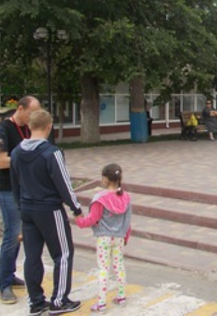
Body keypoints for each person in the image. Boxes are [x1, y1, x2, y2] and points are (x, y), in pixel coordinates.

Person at [10, 109, 83, 316]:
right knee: (63, 253)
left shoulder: (16, 153)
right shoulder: (52, 153)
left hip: (27, 209)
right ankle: (59, 301)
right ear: (49, 126)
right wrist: (75, 208)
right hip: (50, 210)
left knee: (32, 256)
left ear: (29, 127)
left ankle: (36, 303)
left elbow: (15, 184)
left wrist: (20, 207)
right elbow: (64, 184)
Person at [0, 95, 41, 304]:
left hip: (24, 190)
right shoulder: (1, 130)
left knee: (20, 235)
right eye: (32, 112)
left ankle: (10, 275)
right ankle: (4, 285)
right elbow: (1, 162)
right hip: (7, 190)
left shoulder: (29, 129)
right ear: (20, 109)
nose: (34, 116)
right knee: (11, 236)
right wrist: (27, 157)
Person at [75, 163, 132, 312]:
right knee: (119, 265)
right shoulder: (125, 197)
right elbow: (128, 221)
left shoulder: (100, 198)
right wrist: (125, 236)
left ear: (105, 179)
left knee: (103, 268)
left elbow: (93, 218)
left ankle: (101, 302)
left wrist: (79, 221)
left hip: (104, 238)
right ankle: (121, 296)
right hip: (119, 237)